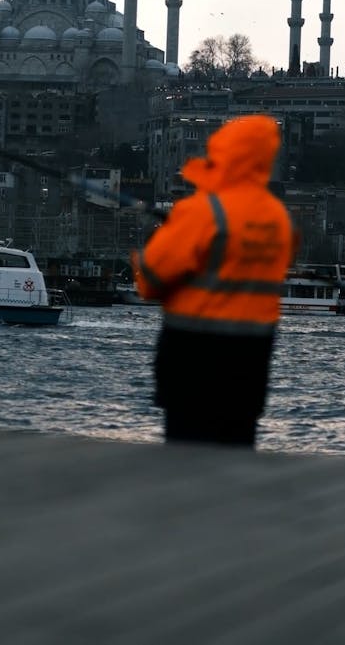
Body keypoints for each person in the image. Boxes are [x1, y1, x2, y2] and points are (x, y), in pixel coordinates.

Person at [131, 113, 297, 448]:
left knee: (186, 467)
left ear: (223, 150)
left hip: (193, 362)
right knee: (235, 460)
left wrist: (165, 233)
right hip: (249, 368)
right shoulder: (279, 219)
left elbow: (149, 280)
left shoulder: (204, 211)